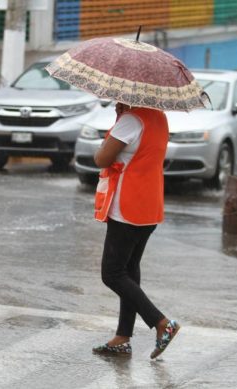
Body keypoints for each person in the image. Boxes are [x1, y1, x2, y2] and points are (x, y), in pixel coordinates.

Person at [91, 102, 180, 359]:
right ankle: (122, 336)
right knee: (129, 270)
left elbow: (102, 158)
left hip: (128, 206)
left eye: (119, 95)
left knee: (112, 273)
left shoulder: (131, 120)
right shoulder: (159, 117)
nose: (116, 99)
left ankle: (161, 323)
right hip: (149, 205)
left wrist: (117, 125)